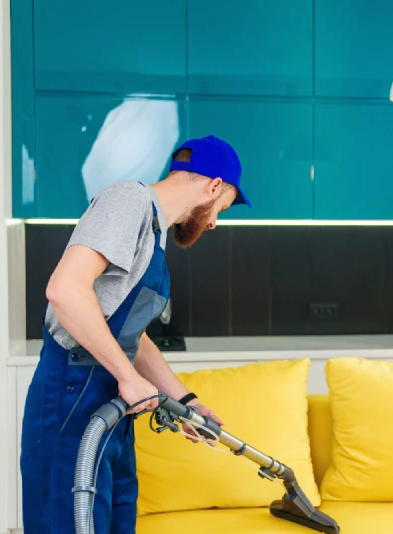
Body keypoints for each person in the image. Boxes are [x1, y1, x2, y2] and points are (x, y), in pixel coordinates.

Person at [20, 135, 251, 534]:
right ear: (213, 186)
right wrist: (128, 378)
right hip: (72, 399)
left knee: (115, 520)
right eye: (222, 209)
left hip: (113, 408)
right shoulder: (128, 201)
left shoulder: (154, 230)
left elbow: (130, 335)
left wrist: (187, 402)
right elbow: (65, 289)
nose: (214, 222)